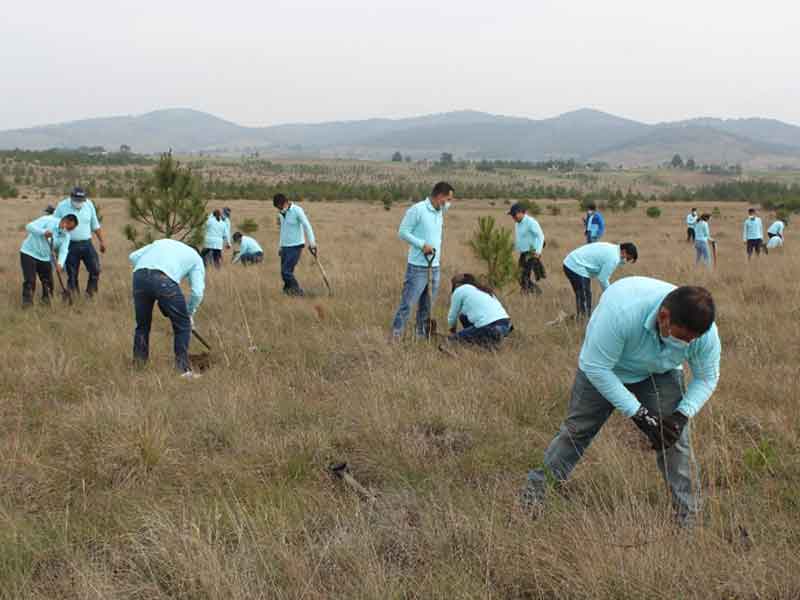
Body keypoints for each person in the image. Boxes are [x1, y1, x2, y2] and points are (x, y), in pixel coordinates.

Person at [522, 278, 721, 527]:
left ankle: (689, 522)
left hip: (659, 373)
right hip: (605, 369)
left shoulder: (703, 334)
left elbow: (707, 377)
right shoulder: (621, 314)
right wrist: (639, 414)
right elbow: (597, 368)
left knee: (675, 440)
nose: (685, 345)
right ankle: (531, 503)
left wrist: (681, 415)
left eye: (691, 341)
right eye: (680, 337)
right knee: (575, 433)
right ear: (663, 316)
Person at [129, 239, 206, 378]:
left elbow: (133, 256)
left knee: (142, 326)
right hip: (163, 279)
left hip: (138, 276)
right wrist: (189, 314)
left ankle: (138, 367)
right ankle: (183, 370)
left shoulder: (163, 242)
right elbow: (197, 292)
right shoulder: (196, 258)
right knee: (183, 326)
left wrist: (148, 278)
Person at [391, 182, 454, 339]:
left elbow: (446, 207)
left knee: (427, 306)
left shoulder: (440, 209)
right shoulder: (417, 210)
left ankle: (421, 335)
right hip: (417, 268)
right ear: (439, 196)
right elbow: (403, 232)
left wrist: (446, 204)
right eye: (447, 199)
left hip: (435, 266)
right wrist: (422, 245)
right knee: (407, 304)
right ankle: (396, 335)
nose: (449, 203)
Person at [53, 186, 106, 297]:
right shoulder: (62, 206)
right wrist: (56, 247)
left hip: (87, 243)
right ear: (71, 197)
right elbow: (54, 226)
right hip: (69, 245)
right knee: (72, 274)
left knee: (95, 269)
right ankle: (73, 296)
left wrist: (102, 241)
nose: (79, 203)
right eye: (76, 200)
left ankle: (90, 294)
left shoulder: (89, 205)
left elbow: (95, 224)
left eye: (81, 201)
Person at [562, 242, 637, 318]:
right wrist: (610, 293)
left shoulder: (613, 250)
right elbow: (602, 278)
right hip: (575, 265)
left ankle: (581, 317)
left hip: (571, 262)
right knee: (584, 295)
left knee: (583, 294)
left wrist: (621, 262)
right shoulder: (613, 257)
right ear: (624, 251)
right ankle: (583, 319)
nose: (626, 261)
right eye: (628, 258)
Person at [19, 214, 78, 307]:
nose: (66, 230)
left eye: (70, 229)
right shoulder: (48, 220)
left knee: (48, 282)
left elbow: (64, 251)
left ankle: (45, 304)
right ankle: (27, 305)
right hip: (29, 252)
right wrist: (43, 232)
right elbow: (29, 226)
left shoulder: (66, 236)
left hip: (45, 257)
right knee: (30, 280)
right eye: (67, 226)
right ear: (63, 220)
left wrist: (60, 264)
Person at [446, 274, 512, 348]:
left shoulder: (459, 290)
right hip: (506, 324)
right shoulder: (483, 289)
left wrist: (453, 331)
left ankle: (481, 341)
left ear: (457, 284)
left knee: (450, 341)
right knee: (463, 317)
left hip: (489, 327)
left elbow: (452, 317)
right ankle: (485, 341)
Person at [274, 193, 316, 295]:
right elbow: (283, 231)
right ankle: (288, 291)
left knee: (286, 272)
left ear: (285, 202)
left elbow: (307, 226)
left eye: (280, 206)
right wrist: (280, 246)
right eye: (277, 208)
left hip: (296, 246)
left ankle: (299, 292)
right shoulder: (281, 214)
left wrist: (312, 243)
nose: (279, 209)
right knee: (284, 273)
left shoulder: (297, 210)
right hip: (285, 247)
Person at [509, 203, 546, 295]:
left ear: (521, 213)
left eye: (514, 215)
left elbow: (540, 236)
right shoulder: (517, 223)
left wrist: (538, 252)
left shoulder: (531, 222)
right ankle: (529, 291)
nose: (513, 217)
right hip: (523, 253)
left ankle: (534, 292)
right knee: (519, 275)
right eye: (512, 215)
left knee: (524, 275)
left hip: (531, 253)